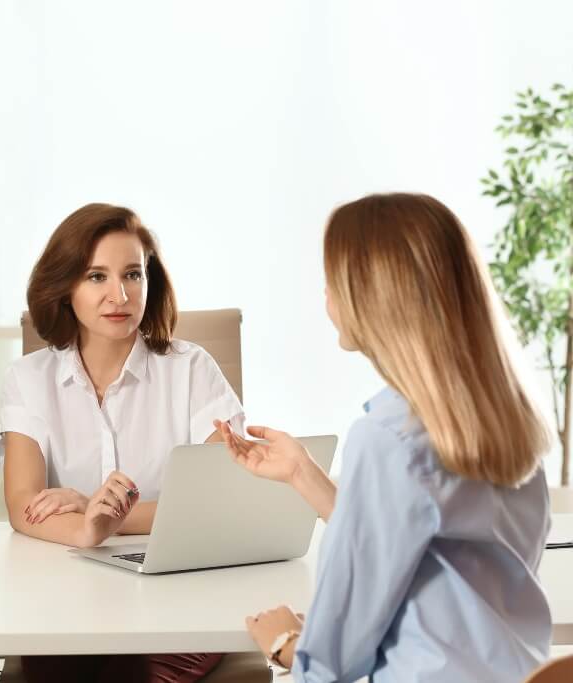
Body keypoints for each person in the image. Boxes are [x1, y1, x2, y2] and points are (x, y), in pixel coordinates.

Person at [216, 193, 552, 683]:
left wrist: (287, 643)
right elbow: (434, 560)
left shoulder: (388, 439)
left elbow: (334, 667)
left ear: (375, 296)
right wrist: (302, 474)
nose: (325, 296)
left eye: (333, 280)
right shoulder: (509, 421)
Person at [0, 203, 262, 682]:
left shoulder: (191, 368)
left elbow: (226, 500)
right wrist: (85, 530)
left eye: (132, 274)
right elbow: (23, 505)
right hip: (65, 597)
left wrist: (100, 513)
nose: (119, 295)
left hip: (181, 595)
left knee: (131, 672)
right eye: (96, 276)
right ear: (65, 288)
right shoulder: (29, 378)